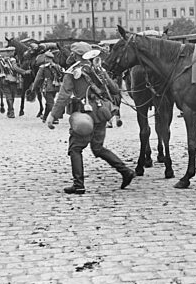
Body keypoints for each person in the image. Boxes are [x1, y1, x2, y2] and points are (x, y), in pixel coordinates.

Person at [45, 41, 135, 195]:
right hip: (102, 113)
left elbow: (64, 96)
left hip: (85, 115)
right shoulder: (98, 70)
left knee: (75, 148)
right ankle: (125, 171)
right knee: (98, 148)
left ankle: (78, 184)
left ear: (74, 55)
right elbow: (114, 89)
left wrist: (52, 115)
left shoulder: (72, 72)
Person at [0, 47, 31, 118]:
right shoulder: (12, 60)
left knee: (8, 96)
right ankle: (11, 111)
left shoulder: (0, 59)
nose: (14, 52)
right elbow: (15, 68)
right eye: (13, 51)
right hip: (12, 79)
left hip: (3, 79)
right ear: (11, 52)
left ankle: (10, 111)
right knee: (12, 96)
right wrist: (24, 72)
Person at [32, 50, 63, 123]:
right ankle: (49, 117)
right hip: (55, 86)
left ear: (46, 58)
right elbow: (62, 75)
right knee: (50, 103)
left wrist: (34, 88)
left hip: (46, 87)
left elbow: (38, 78)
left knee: (50, 103)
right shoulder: (57, 66)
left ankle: (50, 118)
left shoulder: (43, 67)